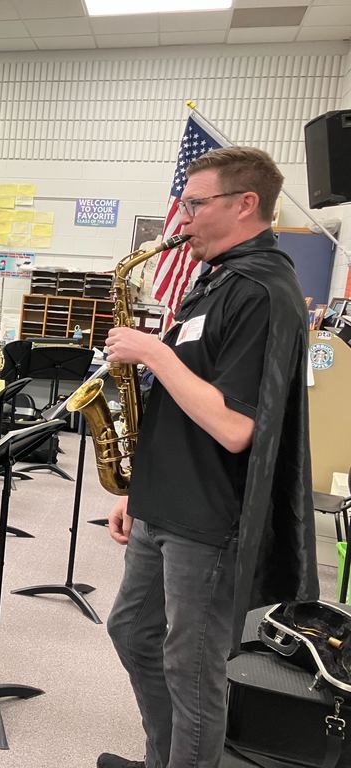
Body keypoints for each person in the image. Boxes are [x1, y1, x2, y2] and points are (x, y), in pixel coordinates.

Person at [97, 147, 318, 768]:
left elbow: (235, 427)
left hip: (209, 516)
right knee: (132, 631)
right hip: (164, 500)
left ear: (245, 204)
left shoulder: (262, 291)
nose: (183, 218)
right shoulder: (217, 278)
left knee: (191, 667)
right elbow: (185, 399)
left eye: (195, 204)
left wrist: (153, 353)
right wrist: (137, 490)